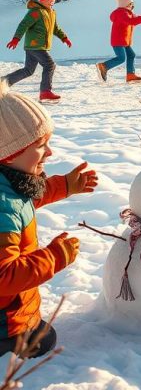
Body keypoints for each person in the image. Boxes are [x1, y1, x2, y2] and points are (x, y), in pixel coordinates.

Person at [0, 80, 97, 357]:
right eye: (41, 145)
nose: (50, 152)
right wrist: (53, 257)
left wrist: (65, 185)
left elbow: (28, 200)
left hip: (10, 309)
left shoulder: (10, 185)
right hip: (5, 321)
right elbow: (3, 276)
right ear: (8, 153)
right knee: (44, 340)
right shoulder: (2, 206)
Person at [5, 0, 72, 103]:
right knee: (50, 65)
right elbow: (23, 25)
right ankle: (45, 91)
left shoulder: (51, 12)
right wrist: (16, 39)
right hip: (35, 45)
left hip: (37, 46)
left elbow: (55, 28)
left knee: (28, 70)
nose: (52, 2)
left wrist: (64, 38)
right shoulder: (36, 12)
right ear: (43, 0)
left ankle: (3, 82)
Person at [96, 0, 141, 85]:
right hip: (118, 41)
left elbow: (135, 18)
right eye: (131, 4)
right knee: (121, 58)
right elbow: (132, 21)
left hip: (124, 41)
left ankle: (130, 75)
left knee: (131, 55)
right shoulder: (121, 13)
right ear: (126, 4)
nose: (133, 6)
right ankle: (103, 66)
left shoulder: (127, 13)